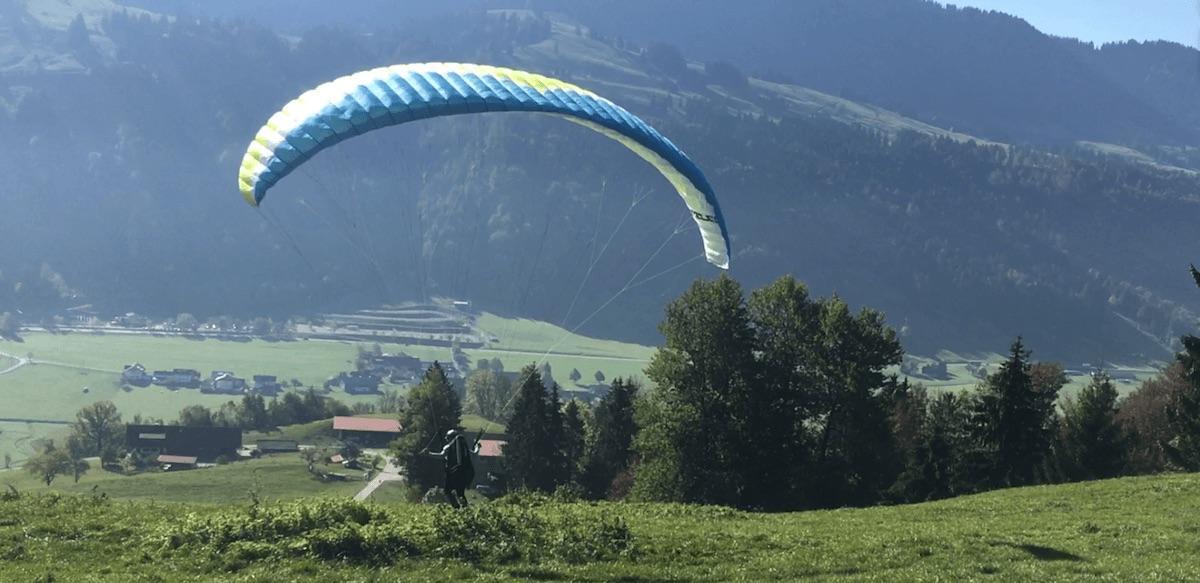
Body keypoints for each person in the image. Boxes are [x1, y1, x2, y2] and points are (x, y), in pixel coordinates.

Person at [426, 428, 480, 508]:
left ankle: (456, 508)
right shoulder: (463, 447)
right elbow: (475, 453)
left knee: (447, 491)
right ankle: (465, 509)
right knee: (460, 493)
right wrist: (477, 447)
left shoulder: (448, 446)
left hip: (453, 472)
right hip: (464, 473)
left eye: (447, 438)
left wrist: (429, 453)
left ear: (449, 438)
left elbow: (441, 456)